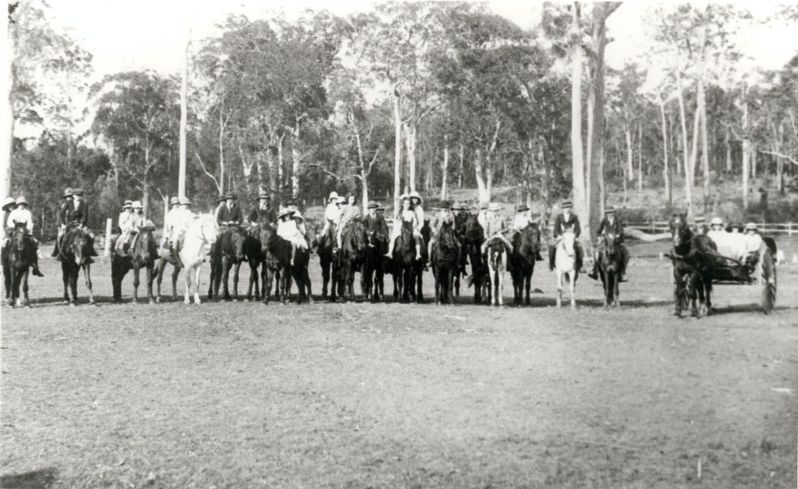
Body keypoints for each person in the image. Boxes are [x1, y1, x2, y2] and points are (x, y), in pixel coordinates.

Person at [6, 196, 44, 276]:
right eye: (20, 204)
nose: (21, 205)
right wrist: (15, 227)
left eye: (23, 204)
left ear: (25, 205)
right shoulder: (14, 213)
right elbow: (9, 222)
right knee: (7, 243)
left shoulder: (27, 213)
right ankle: (6, 260)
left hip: (25, 232)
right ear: (18, 204)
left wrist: (27, 231)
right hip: (15, 231)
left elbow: (30, 223)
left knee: (34, 243)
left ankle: (35, 266)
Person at [589, 207, 629, 282]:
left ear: (613, 213)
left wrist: (618, 235)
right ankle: (594, 270)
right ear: (606, 214)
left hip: (616, 241)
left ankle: (623, 272)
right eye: (608, 213)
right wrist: (599, 237)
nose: (609, 214)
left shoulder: (618, 220)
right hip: (606, 240)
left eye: (611, 212)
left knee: (626, 253)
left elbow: (621, 230)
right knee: (596, 251)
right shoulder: (604, 220)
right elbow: (598, 230)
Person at [548, 200, 584, 272]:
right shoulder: (559, 217)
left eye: (568, 207)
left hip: (571, 236)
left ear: (570, 208)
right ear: (563, 208)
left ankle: (580, 266)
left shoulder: (574, 217)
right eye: (565, 208)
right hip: (561, 236)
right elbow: (556, 228)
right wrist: (558, 235)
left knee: (579, 247)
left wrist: (575, 235)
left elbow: (578, 228)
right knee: (551, 246)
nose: (567, 209)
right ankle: (551, 264)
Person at [385, 195, 422, 260]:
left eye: (408, 204)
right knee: (393, 237)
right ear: (403, 204)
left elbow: (415, 222)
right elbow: (397, 223)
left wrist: (413, 227)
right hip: (401, 228)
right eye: (405, 203)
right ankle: (390, 252)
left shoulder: (412, 212)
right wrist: (398, 229)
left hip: (411, 228)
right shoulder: (400, 213)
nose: (407, 205)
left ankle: (418, 254)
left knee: (416, 237)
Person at [67, 188, 98, 257]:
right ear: (73, 195)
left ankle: (91, 250)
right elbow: (64, 214)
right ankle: (62, 252)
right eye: (77, 195)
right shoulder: (69, 203)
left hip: (82, 224)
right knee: (63, 236)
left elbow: (85, 215)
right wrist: (67, 223)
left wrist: (81, 224)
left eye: (80, 195)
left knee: (92, 236)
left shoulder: (84, 203)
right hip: (70, 225)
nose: (79, 196)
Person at [52, 188, 73, 257]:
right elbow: (60, 215)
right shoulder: (62, 204)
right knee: (60, 236)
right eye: (67, 196)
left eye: (70, 196)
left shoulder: (75, 203)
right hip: (63, 224)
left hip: (73, 224)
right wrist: (61, 224)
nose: (69, 198)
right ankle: (58, 251)